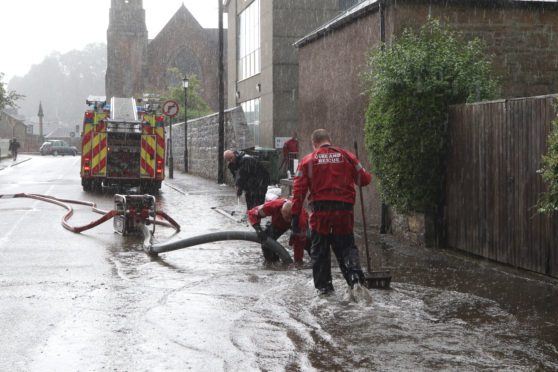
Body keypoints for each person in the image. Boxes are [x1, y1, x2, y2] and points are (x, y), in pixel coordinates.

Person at [291, 128, 372, 295]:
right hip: (344, 212)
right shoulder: (348, 156)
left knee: (320, 251)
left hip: (321, 213)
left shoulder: (308, 161)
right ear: (330, 139)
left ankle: (324, 290)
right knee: (346, 247)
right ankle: (355, 280)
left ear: (314, 144)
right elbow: (364, 180)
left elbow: (298, 191)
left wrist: (295, 214)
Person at [248, 197, 310, 263]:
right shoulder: (272, 206)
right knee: (266, 243)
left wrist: (298, 262)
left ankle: (316, 262)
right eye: (287, 217)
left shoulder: (301, 220)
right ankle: (273, 263)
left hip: (296, 222)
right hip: (278, 222)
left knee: (308, 241)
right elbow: (252, 213)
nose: (289, 220)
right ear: (281, 211)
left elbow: (299, 244)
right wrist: (259, 230)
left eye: (290, 217)